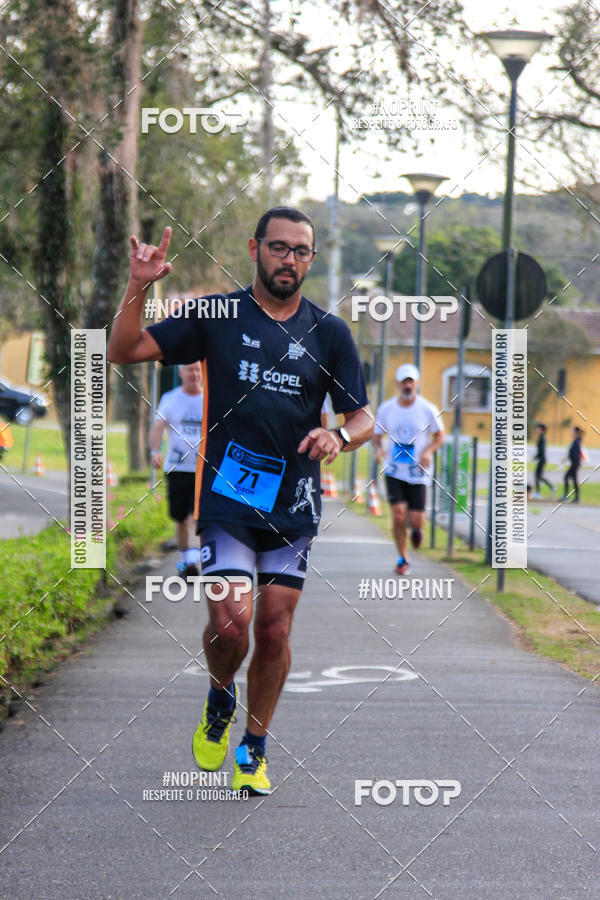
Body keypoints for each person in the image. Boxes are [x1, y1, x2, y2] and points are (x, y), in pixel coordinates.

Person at [107, 207, 373, 795]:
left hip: (294, 503)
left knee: (274, 631)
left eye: (301, 251)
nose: (290, 260)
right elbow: (124, 351)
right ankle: (220, 696)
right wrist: (137, 286)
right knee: (232, 625)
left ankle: (253, 749)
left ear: (311, 258)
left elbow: (363, 417)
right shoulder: (215, 315)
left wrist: (340, 435)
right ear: (255, 249)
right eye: (279, 248)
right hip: (227, 497)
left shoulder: (329, 333)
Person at [372, 363, 444, 575]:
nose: (407, 385)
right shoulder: (386, 409)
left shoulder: (427, 409)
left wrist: (428, 451)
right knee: (397, 513)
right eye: (404, 381)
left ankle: (418, 529)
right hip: (394, 470)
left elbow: (440, 436)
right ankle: (402, 558)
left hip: (417, 473)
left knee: (415, 519)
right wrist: (378, 449)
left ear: (417, 384)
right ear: (397, 384)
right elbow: (377, 437)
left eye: (411, 381)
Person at [148, 362, 204, 577]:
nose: (194, 374)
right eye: (190, 369)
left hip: (202, 468)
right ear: (181, 372)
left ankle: (193, 562)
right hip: (177, 468)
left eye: (198, 369)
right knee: (180, 518)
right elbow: (158, 427)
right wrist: (155, 452)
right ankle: (184, 561)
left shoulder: (209, 398)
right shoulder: (170, 399)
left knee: (195, 516)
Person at [561, 426, 584, 503]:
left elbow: (576, 455)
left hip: (575, 464)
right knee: (574, 480)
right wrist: (567, 458)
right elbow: (573, 453)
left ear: (576, 433)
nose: (571, 432)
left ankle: (567, 496)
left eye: (572, 431)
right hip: (574, 463)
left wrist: (569, 458)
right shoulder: (576, 441)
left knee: (566, 477)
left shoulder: (576, 442)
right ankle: (576, 498)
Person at [532, 422, 553, 499]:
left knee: (537, 476)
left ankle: (538, 493)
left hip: (542, 460)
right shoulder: (541, 437)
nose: (537, 430)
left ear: (542, 430)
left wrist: (536, 457)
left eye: (538, 429)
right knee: (539, 476)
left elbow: (541, 451)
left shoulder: (542, 438)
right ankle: (551, 488)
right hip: (541, 459)